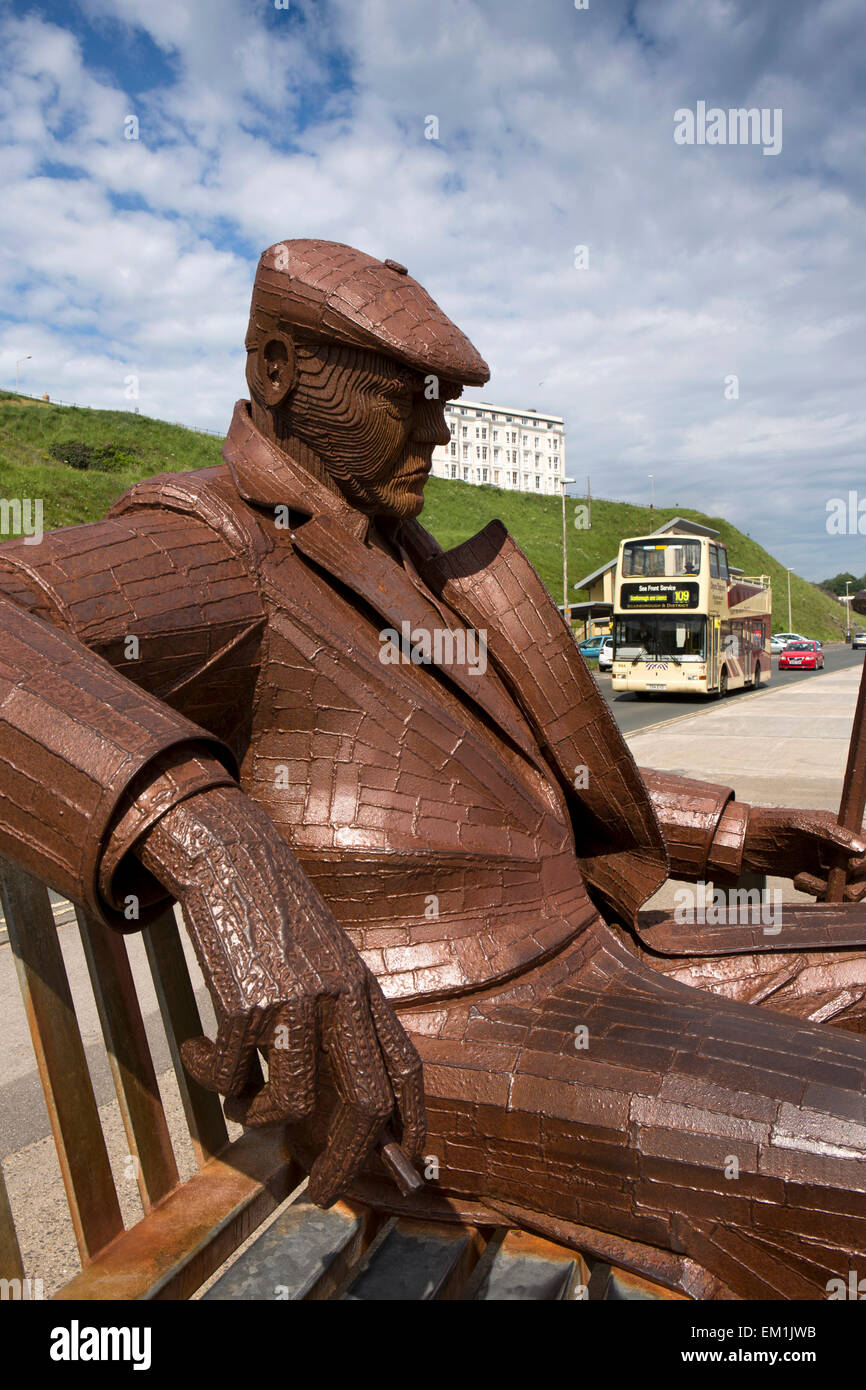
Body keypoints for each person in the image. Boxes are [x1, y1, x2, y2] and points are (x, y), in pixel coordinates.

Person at [1, 239, 865, 1297]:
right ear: (274, 370)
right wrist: (216, 842)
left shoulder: (403, 556)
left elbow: (524, 784)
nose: (440, 429)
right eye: (405, 396)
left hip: (596, 954)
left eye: (443, 397)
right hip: (433, 1041)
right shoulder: (219, 550)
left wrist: (740, 834)